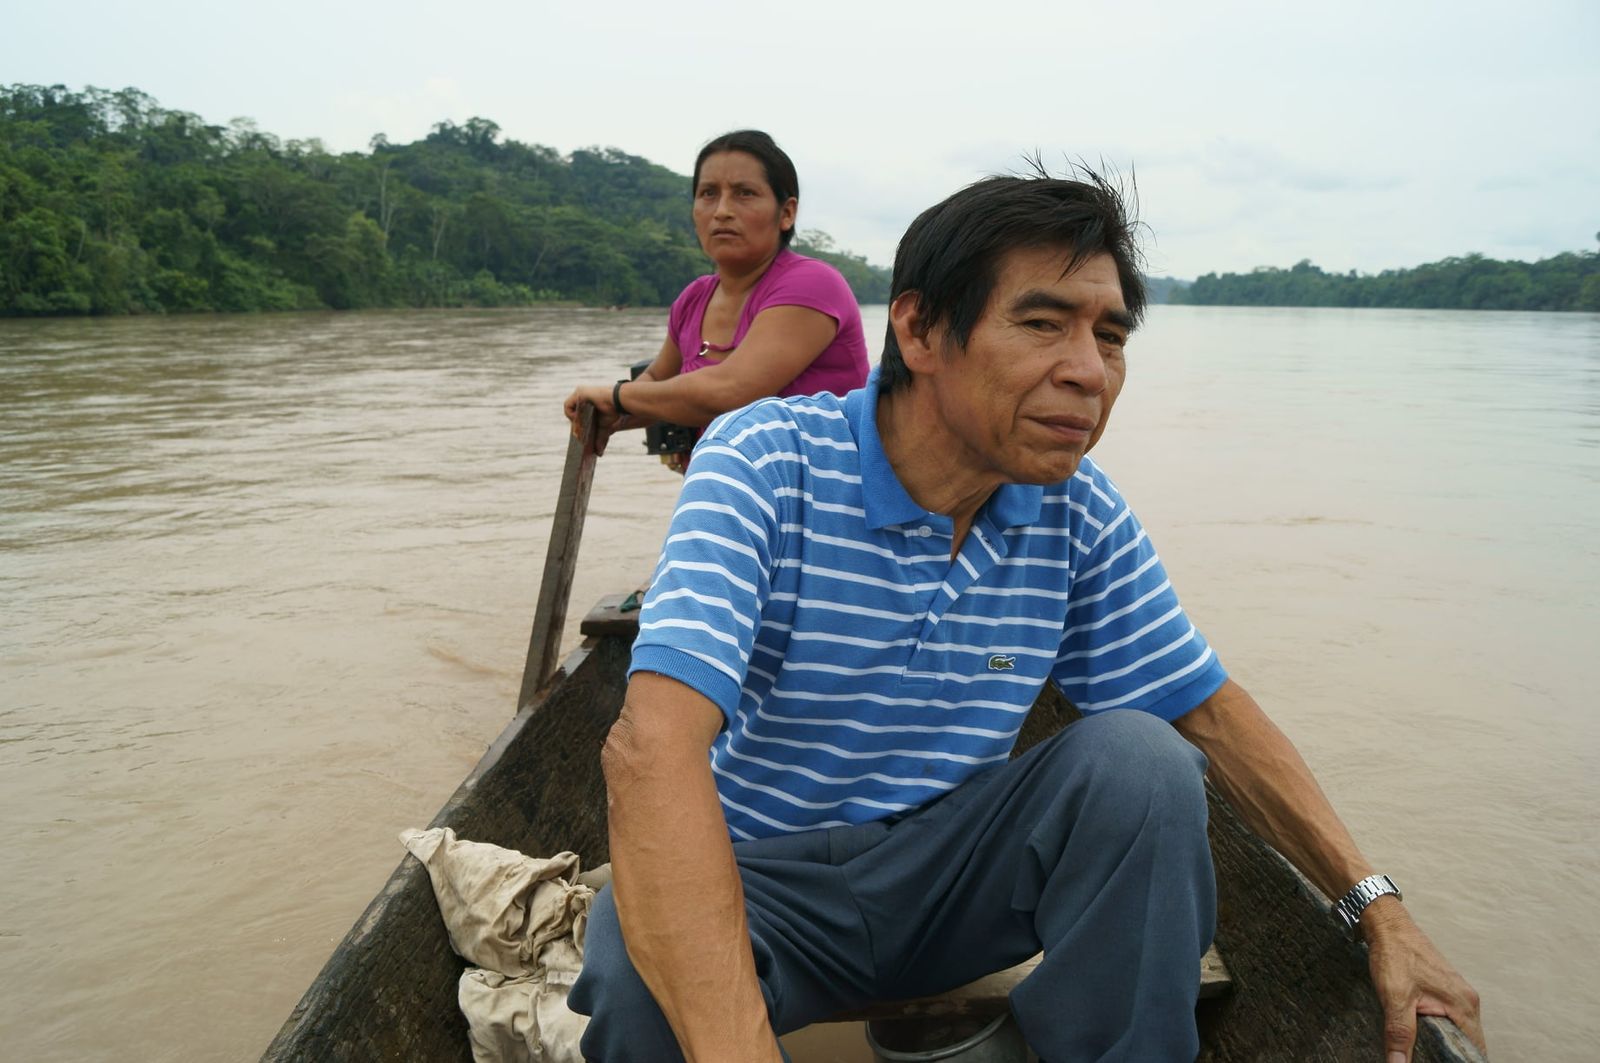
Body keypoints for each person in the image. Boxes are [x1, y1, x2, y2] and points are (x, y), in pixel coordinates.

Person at [567, 170, 1486, 1061]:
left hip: (950, 887)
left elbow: (1208, 711)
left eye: (1111, 337)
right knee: (629, 951)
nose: (1088, 372)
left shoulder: (1076, 509)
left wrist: (1380, 912)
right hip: (766, 888)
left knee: (1141, 763)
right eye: (1043, 323)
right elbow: (652, 750)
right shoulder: (768, 461)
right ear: (921, 329)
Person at [562, 130, 869, 471]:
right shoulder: (694, 299)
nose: (722, 211)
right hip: (738, 499)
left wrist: (616, 397)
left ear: (786, 213)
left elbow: (730, 389)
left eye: (744, 193)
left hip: (826, 500)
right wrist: (610, 416)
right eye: (708, 194)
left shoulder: (813, 284)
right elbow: (656, 383)